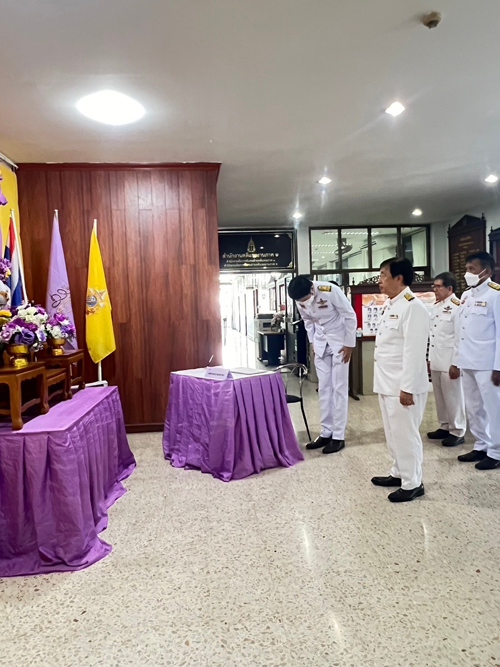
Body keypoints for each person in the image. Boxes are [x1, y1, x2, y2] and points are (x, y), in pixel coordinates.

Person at [371, 258, 430, 502]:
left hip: (402, 385)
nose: (380, 280)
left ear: (399, 278)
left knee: (406, 435)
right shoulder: (391, 304)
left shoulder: (413, 307)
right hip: (387, 382)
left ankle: (413, 483)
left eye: (383, 275)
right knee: (393, 434)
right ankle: (398, 472)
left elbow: (414, 353)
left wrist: (407, 388)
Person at [288, 275, 356, 454]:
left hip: (339, 343)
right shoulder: (299, 298)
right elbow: (308, 321)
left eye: (305, 299)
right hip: (320, 344)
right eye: (300, 301)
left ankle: (338, 436)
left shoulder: (330, 290)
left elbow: (349, 315)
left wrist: (349, 344)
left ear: (312, 289)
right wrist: (312, 342)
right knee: (324, 388)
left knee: (339, 388)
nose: (304, 303)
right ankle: (326, 432)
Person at [451, 251, 500, 470]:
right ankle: (481, 445)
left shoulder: (495, 294)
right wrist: (457, 360)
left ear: (486, 271)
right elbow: (460, 331)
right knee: (473, 408)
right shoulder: (466, 295)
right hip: (468, 361)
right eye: (467, 269)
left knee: (494, 408)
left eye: (472, 269)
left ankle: (497, 451)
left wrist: (498, 367)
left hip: (487, 364)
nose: (467, 273)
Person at [427, 272, 466, 446]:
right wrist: (429, 359)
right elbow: (433, 336)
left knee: (453, 397)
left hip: (450, 361)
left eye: (438, 286)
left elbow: (459, 338)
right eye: (434, 286)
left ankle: (457, 430)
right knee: (440, 396)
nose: (435, 289)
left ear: (449, 288)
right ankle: (444, 426)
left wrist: (456, 363)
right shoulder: (436, 306)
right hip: (437, 359)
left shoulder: (457, 307)